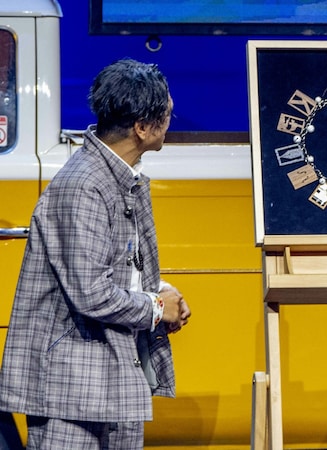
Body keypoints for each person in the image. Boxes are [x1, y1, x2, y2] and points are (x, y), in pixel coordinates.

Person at [0, 59, 191, 449]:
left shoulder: (120, 176)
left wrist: (160, 291)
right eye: (165, 112)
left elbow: (113, 264)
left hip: (114, 376)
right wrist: (156, 307)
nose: (171, 114)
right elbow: (91, 292)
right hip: (71, 386)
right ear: (142, 127)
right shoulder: (84, 185)